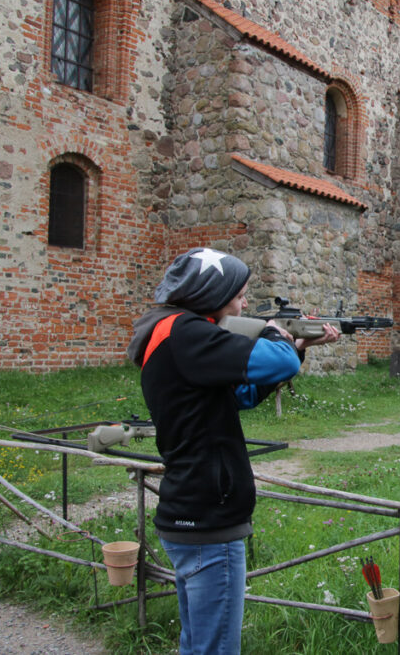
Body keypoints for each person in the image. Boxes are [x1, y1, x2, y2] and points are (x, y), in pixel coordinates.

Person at [126, 247, 339, 655]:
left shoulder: (173, 334)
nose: (244, 304)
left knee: (199, 645)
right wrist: (278, 331)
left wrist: (297, 347)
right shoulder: (188, 334)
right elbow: (277, 359)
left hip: (190, 510)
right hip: (209, 520)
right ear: (214, 293)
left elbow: (239, 396)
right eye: (240, 295)